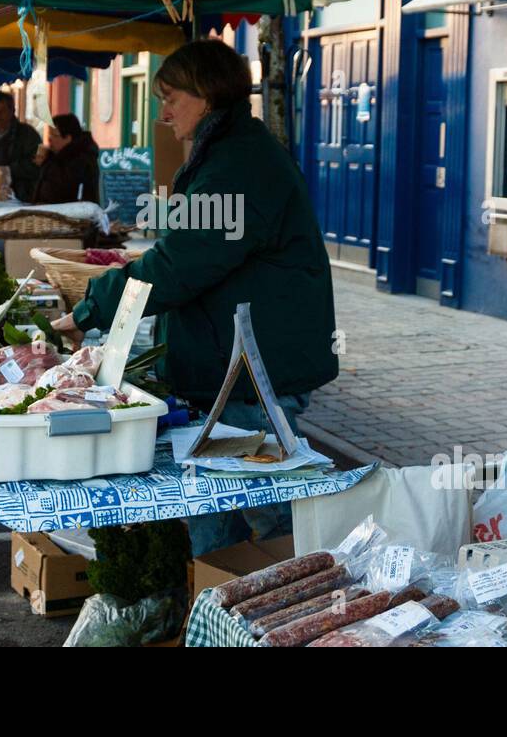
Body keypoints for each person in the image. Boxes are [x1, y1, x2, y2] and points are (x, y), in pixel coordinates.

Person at [52, 40, 339, 555]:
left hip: (253, 376)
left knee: (269, 516)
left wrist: (94, 305)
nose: (163, 113)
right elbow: (191, 253)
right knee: (213, 502)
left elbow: (183, 260)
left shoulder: (239, 164)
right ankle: (214, 595)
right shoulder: (228, 152)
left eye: (171, 98)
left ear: (205, 97)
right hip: (236, 368)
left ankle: (263, 609)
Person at [0, 90, 41, 201]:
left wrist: (7, 171)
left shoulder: (27, 134)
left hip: (20, 197)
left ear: (12, 110)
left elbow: (36, 165)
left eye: (2, 111)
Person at [31, 113, 100, 205]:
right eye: (50, 134)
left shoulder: (81, 158)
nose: (50, 139)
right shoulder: (55, 154)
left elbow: (64, 187)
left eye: (55, 135)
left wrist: (45, 163)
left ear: (68, 138)